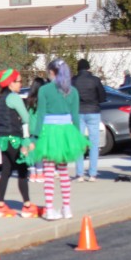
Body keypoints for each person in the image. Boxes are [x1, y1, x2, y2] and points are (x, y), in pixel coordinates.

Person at [32, 59, 89, 220]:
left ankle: (50, 209)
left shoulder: (44, 90)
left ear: (51, 72)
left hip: (49, 132)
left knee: (49, 172)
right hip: (66, 132)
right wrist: (78, 137)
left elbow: (40, 115)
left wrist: (35, 136)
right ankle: (67, 208)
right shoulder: (72, 91)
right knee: (63, 171)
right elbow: (76, 117)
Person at [0, 68, 37, 217]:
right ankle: (27, 206)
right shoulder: (14, 98)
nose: (21, 84)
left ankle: (0, 205)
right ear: (10, 83)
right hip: (15, 139)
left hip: (2, 139)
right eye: (19, 81)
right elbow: (26, 118)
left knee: (6, 171)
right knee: (22, 171)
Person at [71, 58, 107, 181]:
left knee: (79, 143)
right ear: (88, 68)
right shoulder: (95, 80)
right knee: (94, 143)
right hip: (93, 111)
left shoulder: (73, 80)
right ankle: (92, 174)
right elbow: (102, 96)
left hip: (78, 112)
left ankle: (80, 174)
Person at [25, 76, 47, 184]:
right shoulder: (41, 100)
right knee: (39, 152)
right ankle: (40, 173)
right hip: (40, 128)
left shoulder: (29, 99)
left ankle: (32, 174)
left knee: (32, 151)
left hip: (31, 128)